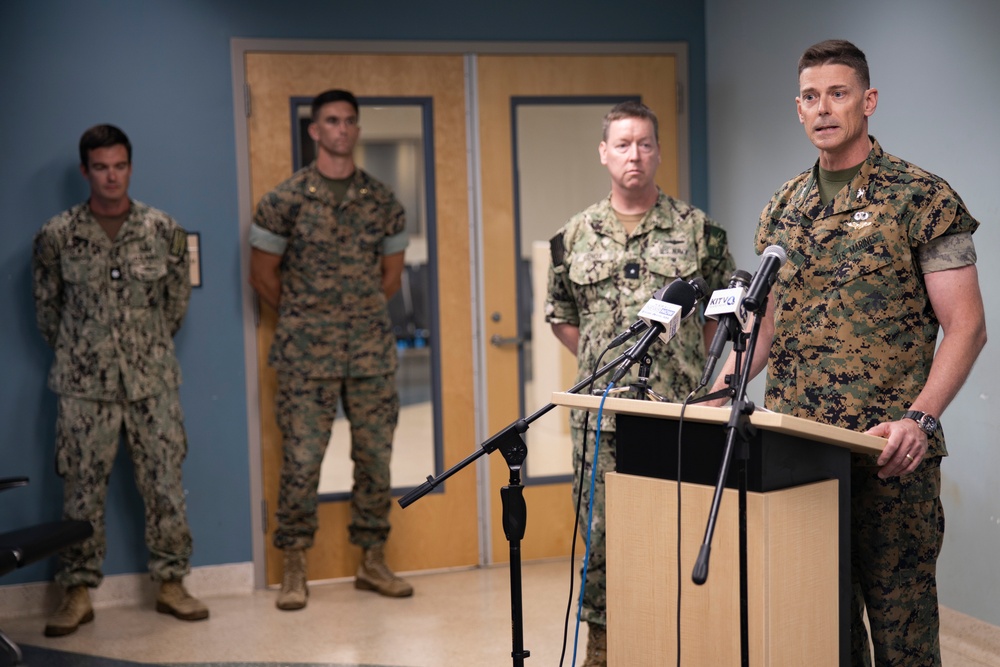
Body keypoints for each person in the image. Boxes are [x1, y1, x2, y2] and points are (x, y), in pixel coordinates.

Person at [708, 40, 987, 666]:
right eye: (811, 97)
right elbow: (768, 319)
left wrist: (922, 418)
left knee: (901, 638)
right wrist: (721, 388)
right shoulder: (784, 206)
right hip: (797, 451)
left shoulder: (921, 198)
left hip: (888, 454)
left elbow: (966, 326)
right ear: (798, 110)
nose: (824, 108)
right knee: (818, 631)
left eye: (838, 93)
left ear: (869, 100)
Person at [545, 101, 735, 666]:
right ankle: (602, 652)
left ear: (657, 151)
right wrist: (614, 365)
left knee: (677, 532)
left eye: (645, 143)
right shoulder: (573, 235)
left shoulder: (699, 231)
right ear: (604, 153)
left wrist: (694, 375)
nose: (635, 154)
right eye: (623, 144)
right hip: (599, 416)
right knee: (601, 542)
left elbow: (727, 317)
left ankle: (679, 646)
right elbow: (561, 316)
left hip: (676, 414)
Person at [32, 124, 208, 636]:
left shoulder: (162, 230)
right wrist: (87, 354)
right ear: (86, 171)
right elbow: (48, 312)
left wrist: (142, 347)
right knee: (81, 492)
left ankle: (172, 584)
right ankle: (78, 592)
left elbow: (175, 305)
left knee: (166, 486)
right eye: (102, 167)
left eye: (120, 166)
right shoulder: (56, 235)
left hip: (152, 382)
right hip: (84, 387)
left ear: (131, 167)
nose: (112, 176)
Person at [249, 89, 412, 610]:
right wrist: (307, 314)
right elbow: (262, 275)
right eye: (331, 121)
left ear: (356, 129)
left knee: (375, 459)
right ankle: (294, 567)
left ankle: (371, 561)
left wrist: (351, 314)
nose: (341, 129)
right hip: (304, 355)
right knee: (300, 461)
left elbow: (391, 277)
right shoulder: (283, 201)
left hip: (368, 352)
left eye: (349, 121)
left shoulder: (383, 201)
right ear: (315, 130)